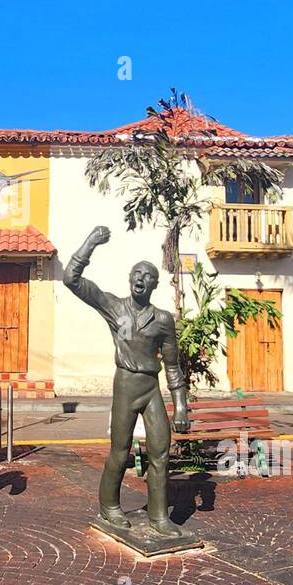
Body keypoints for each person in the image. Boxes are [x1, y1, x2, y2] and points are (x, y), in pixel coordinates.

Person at [65, 226, 190, 538]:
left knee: (161, 450)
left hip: (151, 388)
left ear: (154, 284)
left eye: (147, 275)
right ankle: (109, 506)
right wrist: (90, 242)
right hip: (125, 384)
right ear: (129, 279)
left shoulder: (163, 320)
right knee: (119, 452)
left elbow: (173, 365)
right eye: (136, 273)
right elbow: (72, 280)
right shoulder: (113, 307)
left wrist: (181, 407)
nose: (140, 278)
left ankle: (159, 516)